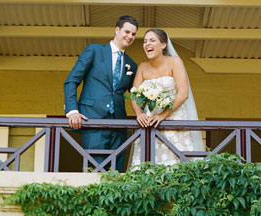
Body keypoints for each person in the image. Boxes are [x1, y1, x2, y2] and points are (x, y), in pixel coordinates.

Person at [64, 15, 139, 171]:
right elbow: (71, 81)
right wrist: (72, 110)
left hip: (119, 124)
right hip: (92, 119)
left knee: (116, 172)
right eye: (127, 32)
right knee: (95, 170)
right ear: (117, 30)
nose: (130, 36)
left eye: (133, 34)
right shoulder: (94, 50)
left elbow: (136, 95)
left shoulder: (131, 64)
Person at [128, 28, 204, 167]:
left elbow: (183, 93)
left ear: (163, 45)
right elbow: (134, 95)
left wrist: (163, 115)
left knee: (175, 163)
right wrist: (139, 114)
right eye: (145, 41)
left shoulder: (175, 62)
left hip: (173, 119)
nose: (147, 44)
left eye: (152, 40)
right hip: (150, 122)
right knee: (147, 162)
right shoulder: (143, 67)